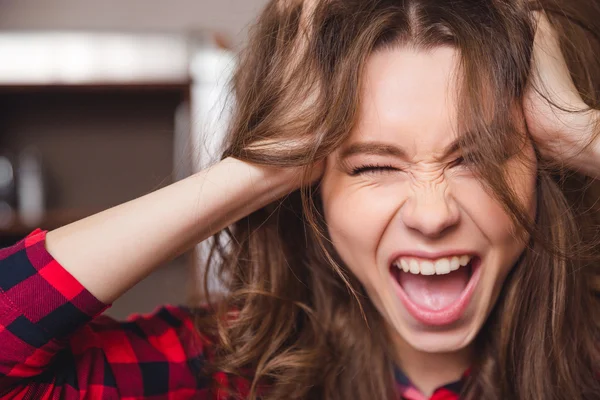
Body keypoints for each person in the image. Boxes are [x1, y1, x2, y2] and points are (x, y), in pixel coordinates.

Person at [1, 0, 599, 399]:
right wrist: (260, 168)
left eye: (476, 158)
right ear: (310, 189)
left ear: (544, 169)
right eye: (372, 164)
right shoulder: (235, 369)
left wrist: (585, 136)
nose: (433, 214)